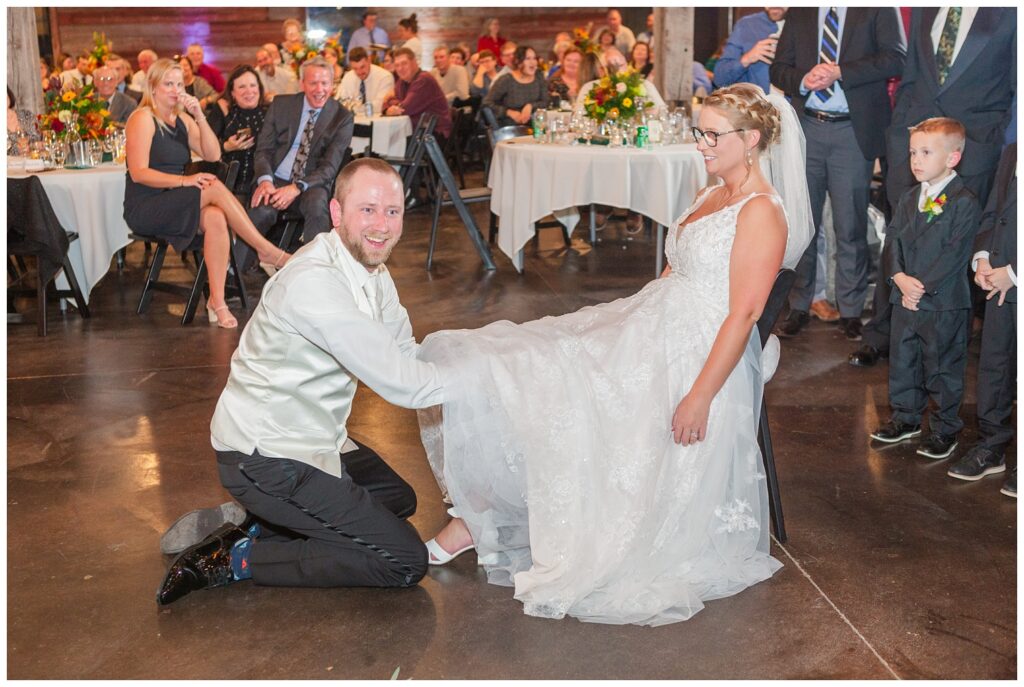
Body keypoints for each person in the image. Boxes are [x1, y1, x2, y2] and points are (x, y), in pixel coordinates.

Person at [417, 83, 812, 626]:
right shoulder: (710, 191)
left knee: (572, 389)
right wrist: (626, 321)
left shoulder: (763, 211)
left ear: (752, 139)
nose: (700, 143)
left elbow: (741, 316)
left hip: (697, 348)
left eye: (711, 134)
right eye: (699, 131)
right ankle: (480, 513)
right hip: (658, 319)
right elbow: (675, 273)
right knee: (541, 356)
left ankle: (478, 520)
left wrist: (698, 396)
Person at [155, 159, 443, 605]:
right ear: (335, 212)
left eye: (393, 211)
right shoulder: (315, 282)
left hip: (315, 436)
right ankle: (239, 558)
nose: (382, 226)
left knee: (398, 500)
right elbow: (401, 381)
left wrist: (466, 361)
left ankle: (261, 520)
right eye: (367, 210)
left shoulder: (373, 273)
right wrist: (486, 381)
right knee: (403, 560)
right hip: (265, 454)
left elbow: (405, 351)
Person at [851, 7, 1017, 368]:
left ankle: (944, 343)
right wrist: (900, 138)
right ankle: (882, 333)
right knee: (900, 238)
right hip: (914, 149)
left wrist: (1002, 149)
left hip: (973, 148)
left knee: (956, 248)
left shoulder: (1008, 13)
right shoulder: (928, 9)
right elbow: (912, 78)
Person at [769, 8, 905, 342]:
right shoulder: (800, 13)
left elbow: (896, 58)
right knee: (804, 224)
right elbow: (779, 69)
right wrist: (803, 79)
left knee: (850, 226)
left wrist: (840, 72)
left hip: (851, 132)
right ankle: (800, 305)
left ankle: (851, 311)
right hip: (806, 130)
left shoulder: (877, 7)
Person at [123, 59, 290, 330]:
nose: (175, 90)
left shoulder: (182, 119)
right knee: (210, 185)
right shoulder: (142, 118)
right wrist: (185, 180)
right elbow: (138, 173)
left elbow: (213, 155)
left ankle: (217, 301)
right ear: (153, 87)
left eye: (179, 84)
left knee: (214, 216)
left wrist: (199, 116)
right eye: (168, 84)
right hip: (147, 204)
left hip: (176, 199)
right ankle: (267, 250)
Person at [869, 118, 980, 461]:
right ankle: (906, 417)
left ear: (952, 158)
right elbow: (894, 241)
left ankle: (945, 428)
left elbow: (955, 254)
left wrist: (922, 288)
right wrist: (898, 278)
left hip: (943, 302)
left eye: (926, 152)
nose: (915, 160)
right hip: (905, 297)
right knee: (904, 361)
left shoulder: (964, 201)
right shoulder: (908, 197)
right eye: (913, 152)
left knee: (942, 367)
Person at [946, 143, 1016, 494]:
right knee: (995, 365)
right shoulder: (1012, 152)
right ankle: (992, 444)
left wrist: (1015, 274)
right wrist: (984, 259)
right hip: (999, 283)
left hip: (1013, 277)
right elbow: (994, 213)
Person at [247, 57, 354, 252]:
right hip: (276, 179)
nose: (319, 89)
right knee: (261, 210)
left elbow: (329, 168)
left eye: (325, 83)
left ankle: (315, 268)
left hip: (311, 183)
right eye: (313, 83)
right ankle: (233, 270)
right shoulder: (282, 105)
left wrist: (297, 187)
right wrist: (265, 180)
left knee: (318, 208)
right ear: (302, 83)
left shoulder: (342, 117)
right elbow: (264, 149)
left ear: (333, 85)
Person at [206, 65, 268, 199]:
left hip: (264, 182)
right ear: (232, 92)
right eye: (242, 87)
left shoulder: (270, 110)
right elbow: (205, 148)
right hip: (231, 183)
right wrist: (226, 147)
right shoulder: (223, 109)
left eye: (253, 85)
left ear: (259, 88)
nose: (249, 91)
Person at [382, 48, 452, 142]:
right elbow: (386, 102)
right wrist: (388, 109)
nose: (400, 68)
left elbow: (405, 108)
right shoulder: (402, 81)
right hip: (417, 131)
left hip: (433, 135)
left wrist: (396, 104)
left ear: (415, 62)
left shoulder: (423, 80)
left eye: (404, 63)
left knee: (385, 140)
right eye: (397, 65)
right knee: (383, 139)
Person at [713, 7, 788, 94]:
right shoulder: (746, 25)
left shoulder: (804, 24)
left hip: (793, 105)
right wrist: (746, 59)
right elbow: (719, 79)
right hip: (755, 104)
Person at [482, 45, 547, 128]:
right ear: (518, 62)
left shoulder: (539, 76)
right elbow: (487, 103)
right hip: (509, 127)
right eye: (528, 59)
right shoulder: (506, 80)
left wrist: (530, 106)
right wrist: (508, 112)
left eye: (534, 58)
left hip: (535, 126)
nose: (533, 62)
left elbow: (545, 101)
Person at [337, 46, 394, 114]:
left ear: (369, 61)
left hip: (378, 122)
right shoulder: (348, 77)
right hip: (353, 122)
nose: (359, 72)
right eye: (355, 68)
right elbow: (341, 101)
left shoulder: (385, 77)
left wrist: (353, 109)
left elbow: (381, 105)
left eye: (362, 67)